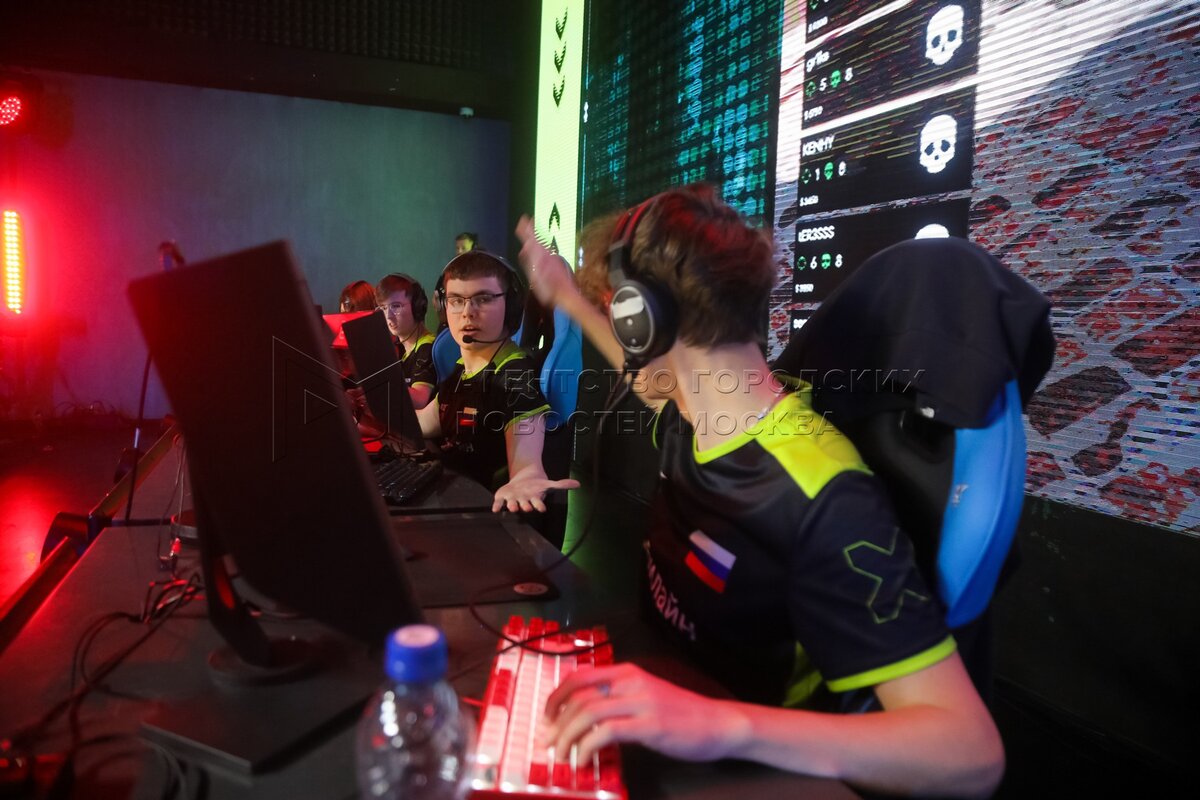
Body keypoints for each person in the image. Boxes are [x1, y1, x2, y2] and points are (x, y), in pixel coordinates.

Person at [514, 186, 1005, 798]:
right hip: (659, 715)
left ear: (640, 317)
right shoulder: (697, 415)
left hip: (740, 768)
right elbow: (647, 378)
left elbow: (971, 751)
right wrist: (564, 291)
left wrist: (722, 724)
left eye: (617, 312)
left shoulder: (820, 493)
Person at [415, 251, 578, 513]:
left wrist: (525, 476)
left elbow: (526, 458)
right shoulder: (461, 371)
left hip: (485, 518)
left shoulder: (514, 376)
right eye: (456, 300)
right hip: (452, 503)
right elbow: (425, 423)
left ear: (511, 307)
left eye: (483, 299)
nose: (467, 312)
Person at [375, 273, 436, 410]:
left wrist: (379, 380)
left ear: (417, 308)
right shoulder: (400, 348)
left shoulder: (427, 348)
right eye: (383, 308)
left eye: (396, 306)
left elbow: (420, 399)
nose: (388, 316)